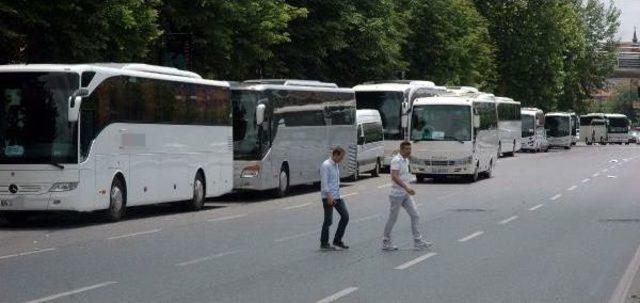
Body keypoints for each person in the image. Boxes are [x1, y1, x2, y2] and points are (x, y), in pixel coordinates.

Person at [382, 141, 432, 251]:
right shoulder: (396, 160)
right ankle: (386, 241)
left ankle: (418, 241)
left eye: (410, 149)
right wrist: (406, 187)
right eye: (407, 149)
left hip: (405, 194)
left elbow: (404, 175)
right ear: (401, 149)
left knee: (415, 215)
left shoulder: (405, 160)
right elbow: (394, 177)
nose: (409, 151)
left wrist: (409, 183)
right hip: (396, 194)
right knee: (393, 218)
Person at [319, 147, 350, 250]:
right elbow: (324, 182)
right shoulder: (326, 165)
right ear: (335, 154)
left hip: (337, 196)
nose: (342, 160)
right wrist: (329, 196)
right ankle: (324, 243)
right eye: (341, 157)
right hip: (328, 197)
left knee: (345, 216)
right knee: (328, 220)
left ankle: (337, 240)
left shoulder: (336, 165)